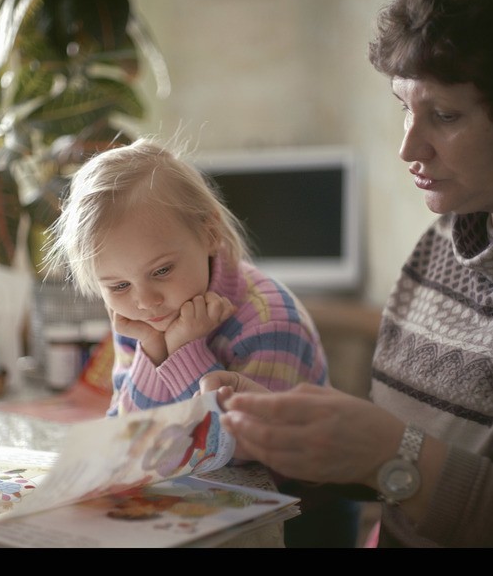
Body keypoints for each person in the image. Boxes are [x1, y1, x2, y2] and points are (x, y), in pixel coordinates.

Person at [200, 0, 493, 548]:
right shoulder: (450, 233)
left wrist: (390, 453)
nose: (408, 147)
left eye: (444, 115)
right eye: (404, 108)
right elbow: (402, 472)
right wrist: (302, 433)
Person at [44, 136, 360, 546]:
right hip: (199, 505)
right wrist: (155, 349)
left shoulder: (269, 323)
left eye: (161, 271)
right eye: (119, 284)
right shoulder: (141, 318)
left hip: (300, 519)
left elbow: (241, 449)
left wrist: (183, 349)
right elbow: (130, 433)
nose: (145, 300)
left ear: (209, 233)